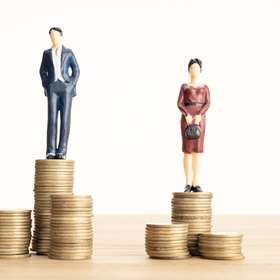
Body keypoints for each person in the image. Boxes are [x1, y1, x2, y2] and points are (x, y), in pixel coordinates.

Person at [39, 27, 80, 159]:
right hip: (52, 87)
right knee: (52, 119)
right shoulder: (46, 53)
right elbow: (42, 71)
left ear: (61, 37)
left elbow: (76, 70)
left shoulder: (68, 52)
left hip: (65, 87)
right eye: (51, 36)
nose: (53, 38)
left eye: (56, 35)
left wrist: (71, 84)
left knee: (65, 119)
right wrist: (47, 84)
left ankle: (62, 151)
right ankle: (51, 150)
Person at [177, 58, 210, 192]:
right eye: (192, 68)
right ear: (188, 70)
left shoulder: (205, 88)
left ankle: (196, 182)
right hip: (187, 119)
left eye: (196, 68)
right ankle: (187, 183)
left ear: (200, 70)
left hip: (200, 120)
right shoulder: (184, 87)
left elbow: (207, 103)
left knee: (197, 151)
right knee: (187, 151)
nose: (194, 70)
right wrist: (187, 114)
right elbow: (179, 103)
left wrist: (200, 114)